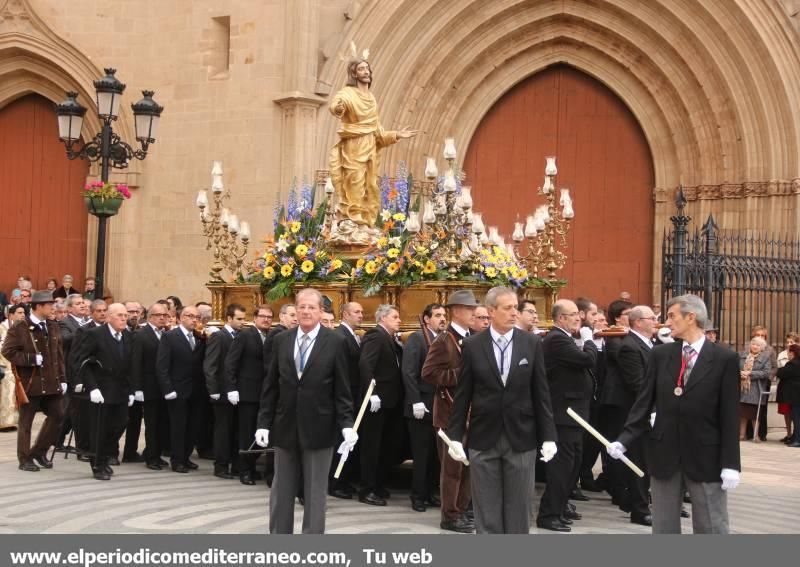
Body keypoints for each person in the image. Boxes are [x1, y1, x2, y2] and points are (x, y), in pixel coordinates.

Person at [608, 294, 741, 534]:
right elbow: (644, 402)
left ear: (691, 317)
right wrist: (624, 439)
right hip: (665, 454)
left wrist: (731, 463)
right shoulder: (661, 355)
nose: (666, 322)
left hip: (706, 457)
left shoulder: (724, 358)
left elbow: (730, 415)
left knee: (711, 525)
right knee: (664, 527)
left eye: (671, 316)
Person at [447, 286, 557, 534]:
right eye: (508, 308)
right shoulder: (473, 345)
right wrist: (455, 436)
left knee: (519, 511)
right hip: (483, 437)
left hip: (521, 437)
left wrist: (549, 436)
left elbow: (541, 393)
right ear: (491, 310)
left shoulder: (531, 343)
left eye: (516, 308)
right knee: (487, 511)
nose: (514, 313)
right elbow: (463, 395)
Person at [255, 288, 357, 534]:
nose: (306, 311)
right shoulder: (281, 340)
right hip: (285, 426)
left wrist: (347, 425)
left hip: (320, 428)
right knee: (281, 491)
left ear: (321, 312)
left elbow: (342, 389)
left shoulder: (336, 342)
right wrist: (263, 422)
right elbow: (271, 386)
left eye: (312, 307)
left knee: (314, 493)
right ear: (295, 310)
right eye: (302, 306)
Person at [328, 51, 417, 244]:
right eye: (361, 69)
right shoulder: (347, 93)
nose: (366, 71)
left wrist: (396, 135)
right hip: (354, 145)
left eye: (367, 68)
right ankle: (351, 221)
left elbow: (378, 132)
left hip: (369, 146)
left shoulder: (371, 98)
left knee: (371, 186)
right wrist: (339, 108)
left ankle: (365, 224)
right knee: (354, 181)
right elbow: (336, 105)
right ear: (354, 73)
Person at [536, 299, 597, 532]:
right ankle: (549, 514)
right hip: (563, 414)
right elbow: (587, 359)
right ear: (560, 318)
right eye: (573, 314)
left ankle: (558, 510)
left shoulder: (564, 338)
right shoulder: (557, 339)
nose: (578, 318)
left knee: (572, 466)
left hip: (573, 415)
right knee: (562, 468)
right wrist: (589, 340)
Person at [421, 289, 479, 533]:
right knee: (452, 469)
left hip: (470, 412)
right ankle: (450, 515)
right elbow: (428, 373)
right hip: (449, 413)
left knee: (467, 467)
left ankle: (462, 510)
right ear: (457, 311)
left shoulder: (473, 338)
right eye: (469, 309)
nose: (474, 313)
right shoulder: (444, 340)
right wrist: (458, 376)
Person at [1, 290, 66, 471]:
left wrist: (63, 378)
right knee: (26, 423)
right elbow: (8, 351)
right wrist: (30, 359)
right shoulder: (20, 328)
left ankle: (39, 451)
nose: (53, 308)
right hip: (31, 382)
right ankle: (24, 459)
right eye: (49, 305)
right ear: (38, 306)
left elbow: (58, 355)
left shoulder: (53, 326)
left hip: (52, 382)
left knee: (58, 415)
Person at [71, 303, 133, 480]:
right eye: (120, 315)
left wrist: (131, 390)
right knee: (99, 428)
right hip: (101, 390)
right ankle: (98, 464)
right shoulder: (94, 335)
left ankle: (105, 457)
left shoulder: (127, 336)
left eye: (125, 315)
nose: (123, 318)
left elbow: (130, 365)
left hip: (120, 390)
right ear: (109, 317)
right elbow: (82, 362)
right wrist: (93, 388)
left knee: (119, 424)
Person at [614, 305, 657, 526]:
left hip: (649, 412)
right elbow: (638, 384)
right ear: (638, 322)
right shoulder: (630, 346)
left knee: (648, 462)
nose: (655, 321)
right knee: (639, 462)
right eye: (652, 318)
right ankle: (639, 510)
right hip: (638, 415)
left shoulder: (650, 344)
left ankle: (640, 503)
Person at [358, 304, 405, 506]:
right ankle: (367, 489)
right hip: (376, 403)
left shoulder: (390, 339)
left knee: (384, 446)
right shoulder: (376, 335)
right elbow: (365, 364)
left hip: (389, 402)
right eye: (395, 316)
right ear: (382, 318)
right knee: (371, 446)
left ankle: (376, 484)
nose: (399, 320)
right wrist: (372, 393)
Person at [402, 303, 445, 512]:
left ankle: (429, 493)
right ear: (427, 319)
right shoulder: (417, 339)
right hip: (421, 406)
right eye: (437, 315)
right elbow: (409, 372)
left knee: (434, 456)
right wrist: (415, 400)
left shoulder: (442, 339)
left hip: (438, 406)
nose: (442, 318)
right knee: (421, 455)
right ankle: (417, 496)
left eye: (444, 315)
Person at [224, 304, 272, 485]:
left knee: (257, 433)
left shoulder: (270, 337)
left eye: (269, 317)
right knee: (245, 433)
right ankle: (244, 470)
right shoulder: (245, 335)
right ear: (255, 318)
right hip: (246, 393)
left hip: (262, 394)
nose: (266, 319)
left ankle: (249, 466)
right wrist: (231, 388)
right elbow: (231, 363)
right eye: (263, 316)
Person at [156, 305, 206, 473]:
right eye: (190, 316)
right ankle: (177, 460)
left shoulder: (200, 338)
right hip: (177, 390)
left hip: (196, 390)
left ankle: (186, 457)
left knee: (193, 426)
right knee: (179, 427)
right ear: (181, 318)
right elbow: (162, 366)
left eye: (197, 317)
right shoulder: (170, 337)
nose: (194, 320)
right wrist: (168, 389)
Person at [204, 303, 247, 479]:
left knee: (236, 430)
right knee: (223, 430)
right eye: (239, 319)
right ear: (229, 319)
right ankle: (220, 466)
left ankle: (236, 464)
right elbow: (210, 365)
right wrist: (213, 389)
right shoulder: (219, 337)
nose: (242, 322)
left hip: (236, 392)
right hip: (221, 393)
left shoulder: (241, 336)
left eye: (244, 319)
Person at [329, 301, 364, 498]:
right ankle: (335, 483)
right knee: (339, 441)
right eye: (356, 312)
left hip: (352, 395)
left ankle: (343, 479)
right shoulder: (340, 336)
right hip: (345, 396)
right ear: (344, 314)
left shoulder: (352, 336)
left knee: (347, 441)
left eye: (361, 312)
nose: (360, 315)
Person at [131, 302, 169, 470]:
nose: (162, 318)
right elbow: (136, 363)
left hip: (164, 387)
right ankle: (151, 457)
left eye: (165, 315)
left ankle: (156, 453)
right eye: (159, 315)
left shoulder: (166, 334)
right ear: (150, 317)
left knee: (162, 423)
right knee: (152, 423)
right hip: (148, 387)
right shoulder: (141, 335)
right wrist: (137, 387)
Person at [738, 337, 771, 442]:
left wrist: (750, 373)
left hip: (756, 389)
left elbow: (766, 372)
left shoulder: (765, 358)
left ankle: (756, 435)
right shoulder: (742, 356)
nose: (755, 346)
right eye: (753, 344)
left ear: (762, 348)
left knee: (755, 414)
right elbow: (734, 367)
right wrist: (740, 372)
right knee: (742, 414)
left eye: (758, 345)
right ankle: (742, 435)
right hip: (743, 388)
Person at [0, 304, 27, 430]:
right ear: (10, 315)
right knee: (8, 384)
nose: (22, 315)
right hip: (5, 364)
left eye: (23, 312)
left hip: (20, 363)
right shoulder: (2, 327)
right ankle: (6, 421)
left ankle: (18, 418)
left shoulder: (24, 327)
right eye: (19, 312)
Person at [776, 344, 800, 447]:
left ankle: (797, 439)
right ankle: (795, 437)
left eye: (789, 352)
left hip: (794, 396)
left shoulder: (793, 364)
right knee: (795, 417)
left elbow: (780, 373)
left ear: (792, 353)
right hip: (795, 396)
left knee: (796, 418)